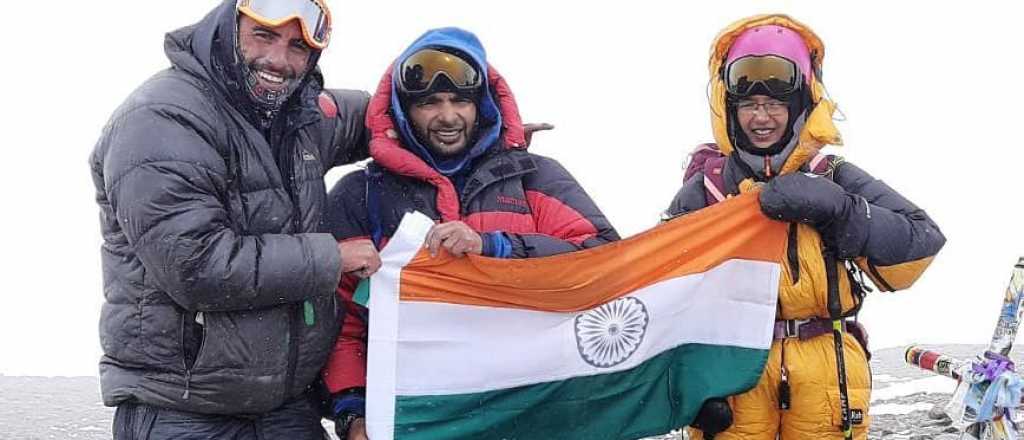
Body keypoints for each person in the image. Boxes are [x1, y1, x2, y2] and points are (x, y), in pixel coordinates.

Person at [89, 0, 382, 438]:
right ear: (230, 28)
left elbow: (393, 111)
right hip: (183, 409)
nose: (279, 61)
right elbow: (196, 265)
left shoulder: (295, 113)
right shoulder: (161, 118)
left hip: (285, 407)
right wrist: (331, 258)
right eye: (264, 35)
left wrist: (495, 123)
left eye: (298, 47)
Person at [321, 27, 620, 439]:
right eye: (429, 103)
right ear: (404, 110)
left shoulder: (536, 178)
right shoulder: (360, 195)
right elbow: (340, 323)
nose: (447, 117)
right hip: (418, 421)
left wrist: (498, 248)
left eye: (460, 100)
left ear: (482, 105)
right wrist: (352, 411)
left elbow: (605, 262)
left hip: (535, 415)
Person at [665, 14, 946, 440]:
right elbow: (660, 295)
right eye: (749, 105)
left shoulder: (834, 177)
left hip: (828, 375)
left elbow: (920, 246)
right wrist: (687, 382)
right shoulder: (704, 190)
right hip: (730, 373)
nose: (762, 117)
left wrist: (840, 210)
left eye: (776, 104)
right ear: (729, 108)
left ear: (799, 107)